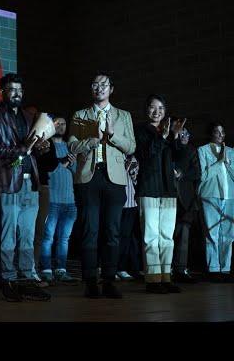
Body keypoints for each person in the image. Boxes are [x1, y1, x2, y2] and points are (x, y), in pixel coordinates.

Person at [0, 74, 57, 302]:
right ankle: (8, 279)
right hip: (8, 180)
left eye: (19, 89)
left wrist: (42, 147)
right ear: (3, 92)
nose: (16, 93)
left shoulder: (30, 116)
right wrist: (20, 150)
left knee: (27, 233)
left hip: (31, 181)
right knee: (9, 234)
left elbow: (33, 149)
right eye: (11, 89)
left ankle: (27, 278)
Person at [68, 72, 135, 299]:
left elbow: (131, 146)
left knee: (112, 231)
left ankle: (109, 280)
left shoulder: (123, 116)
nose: (99, 88)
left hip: (114, 179)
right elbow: (72, 146)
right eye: (95, 85)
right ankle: (90, 282)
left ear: (111, 89)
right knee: (89, 230)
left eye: (103, 85)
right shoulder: (80, 115)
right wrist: (93, 140)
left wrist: (113, 137)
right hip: (88, 178)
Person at [134, 95, 186, 294]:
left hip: (168, 189)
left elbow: (179, 156)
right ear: (146, 110)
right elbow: (146, 155)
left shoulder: (168, 130)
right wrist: (162, 137)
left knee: (167, 236)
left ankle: (166, 276)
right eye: (153, 107)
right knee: (150, 236)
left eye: (161, 108)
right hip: (148, 187)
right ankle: (153, 279)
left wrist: (176, 137)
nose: (157, 111)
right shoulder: (140, 130)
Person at [39, 116, 78, 285]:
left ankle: (61, 269)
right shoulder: (46, 147)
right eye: (57, 123)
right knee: (48, 237)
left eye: (63, 123)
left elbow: (77, 175)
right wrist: (60, 164)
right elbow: (45, 172)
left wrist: (72, 165)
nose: (61, 126)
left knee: (64, 238)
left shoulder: (71, 147)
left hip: (70, 201)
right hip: (52, 199)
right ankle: (46, 269)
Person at [197, 123, 234, 282]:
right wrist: (219, 162)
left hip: (230, 196)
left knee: (228, 235)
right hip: (210, 195)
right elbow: (203, 176)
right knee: (212, 233)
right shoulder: (203, 150)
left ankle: (225, 269)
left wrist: (227, 163)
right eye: (216, 131)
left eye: (222, 132)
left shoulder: (231, 152)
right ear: (211, 133)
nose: (220, 134)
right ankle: (213, 269)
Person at [172, 126, 201, 283]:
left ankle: (180, 269)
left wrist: (182, 174)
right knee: (168, 235)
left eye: (186, 134)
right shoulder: (169, 147)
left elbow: (197, 173)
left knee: (183, 235)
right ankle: (164, 268)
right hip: (168, 197)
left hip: (186, 200)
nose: (183, 136)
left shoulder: (191, 151)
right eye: (180, 133)